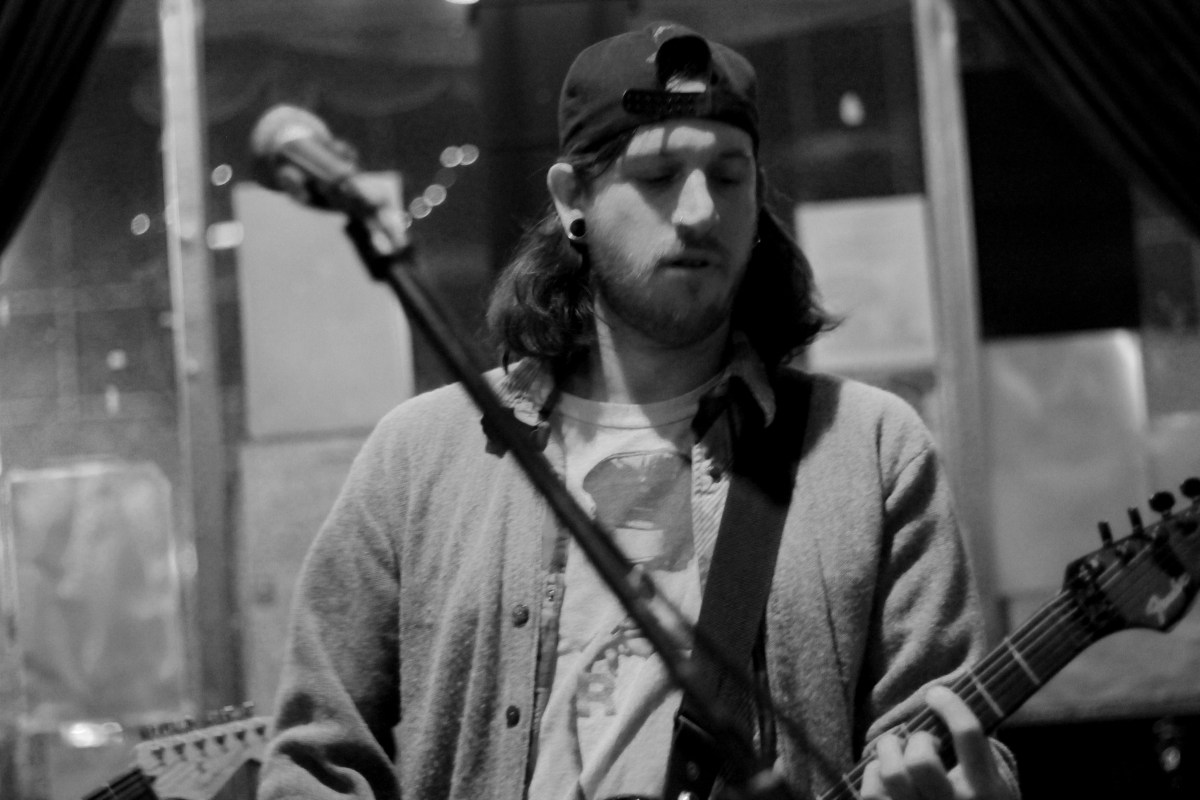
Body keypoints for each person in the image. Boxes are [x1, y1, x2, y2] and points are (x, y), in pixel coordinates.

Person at [256, 22, 1020, 800]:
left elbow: (943, 736)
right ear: (573, 200)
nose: (699, 209)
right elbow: (313, 766)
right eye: (657, 174)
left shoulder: (872, 450)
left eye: (729, 175)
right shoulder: (418, 457)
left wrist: (969, 785)